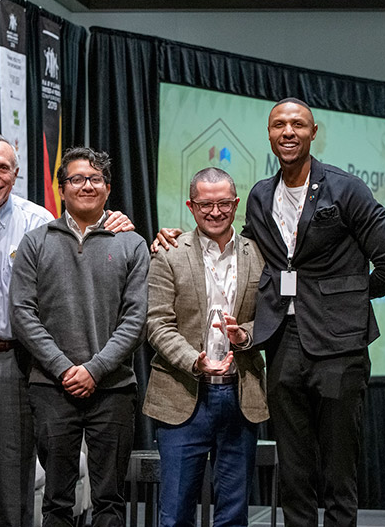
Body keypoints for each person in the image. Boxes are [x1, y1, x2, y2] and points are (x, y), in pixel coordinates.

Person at [155, 99, 385, 527]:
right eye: (278, 125)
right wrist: (176, 234)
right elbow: (241, 248)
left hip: (339, 350)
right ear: (270, 135)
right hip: (283, 346)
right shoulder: (259, 195)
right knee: (293, 474)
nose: (287, 132)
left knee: (338, 474)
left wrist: (342, 304)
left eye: (297, 124)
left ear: (313, 132)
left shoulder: (347, 189)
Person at [0, 132, 132, 527]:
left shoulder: (37, 222)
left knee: (16, 482)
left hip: (13, 361)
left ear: (16, 173)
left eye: (3, 168)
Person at [11, 146, 148, 527]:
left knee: (109, 499)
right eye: (76, 179)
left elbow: (136, 318)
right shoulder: (36, 242)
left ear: (107, 188)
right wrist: (63, 368)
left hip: (114, 388)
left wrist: (95, 370)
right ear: (62, 188)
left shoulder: (132, 244)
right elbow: (22, 313)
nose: (85, 185)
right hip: (51, 387)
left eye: (94, 179)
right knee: (56, 500)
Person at [142, 167, 268, 527]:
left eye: (224, 204)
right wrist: (194, 361)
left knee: (233, 513)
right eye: (205, 205)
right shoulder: (168, 253)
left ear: (236, 204)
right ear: (191, 206)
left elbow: (273, 319)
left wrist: (244, 335)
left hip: (240, 394)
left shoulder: (258, 254)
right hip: (183, 395)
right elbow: (157, 323)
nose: (215, 212)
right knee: (176, 512)